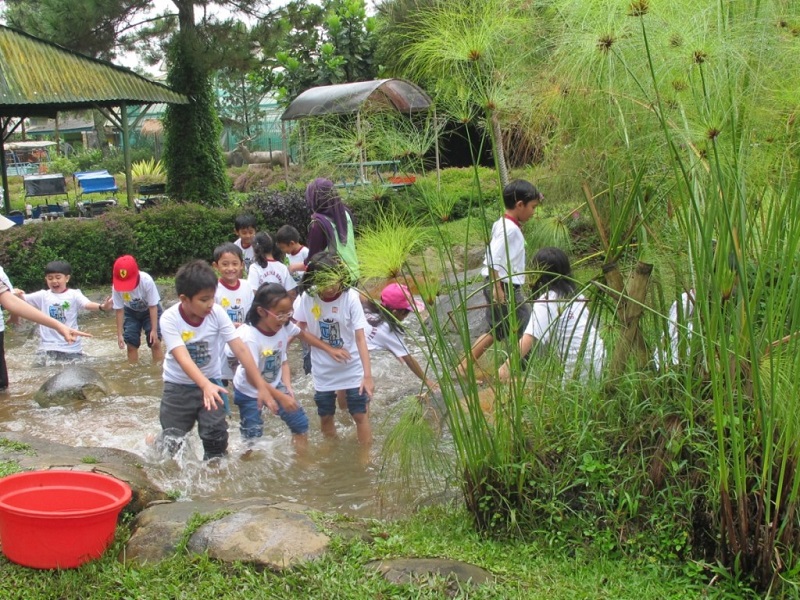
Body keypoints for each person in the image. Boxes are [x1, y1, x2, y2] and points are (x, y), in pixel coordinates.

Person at [158, 260, 290, 460]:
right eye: (204, 299)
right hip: (178, 386)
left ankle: (215, 480)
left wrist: (261, 385)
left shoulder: (217, 313)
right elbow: (182, 357)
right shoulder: (169, 319)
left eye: (212, 297)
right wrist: (204, 385)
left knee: (216, 438)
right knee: (172, 442)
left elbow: (241, 350)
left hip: (212, 382)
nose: (210, 304)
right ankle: (155, 444)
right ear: (184, 299)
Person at [231, 283, 350, 449]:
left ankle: (301, 463)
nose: (286, 318)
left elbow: (304, 336)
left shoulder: (284, 326)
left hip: (274, 384)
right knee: (252, 438)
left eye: (288, 313)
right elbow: (252, 378)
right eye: (280, 314)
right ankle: (244, 461)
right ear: (261, 312)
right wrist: (281, 397)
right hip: (249, 391)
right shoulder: (250, 338)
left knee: (300, 423)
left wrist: (330, 349)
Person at [456, 179, 543, 379]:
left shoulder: (504, 223)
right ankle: (510, 373)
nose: (533, 212)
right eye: (532, 207)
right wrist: (498, 288)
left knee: (496, 330)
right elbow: (494, 257)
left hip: (502, 284)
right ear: (520, 204)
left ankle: (463, 367)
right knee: (527, 326)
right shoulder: (509, 229)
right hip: (505, 286)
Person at [293, 251, 374, 444]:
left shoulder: (350, 297)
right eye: (323, 281)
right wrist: (329, 349)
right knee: (326, 415)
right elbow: (299, 331)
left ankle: (365, 459)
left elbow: (360, 338)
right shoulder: (308, 297)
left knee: (359, 414)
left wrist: (368, 376)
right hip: (323, 369)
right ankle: (332, 453)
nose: (329, 288)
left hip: (352, 367)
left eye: (333, 280)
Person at [498, 247, 605, 383]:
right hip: (599, 360)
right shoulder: (577, 295)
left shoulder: (547, 301)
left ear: (539, 275)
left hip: (578, 372)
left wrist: (504, 369)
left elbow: (528, 340)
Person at [21, 260, 112, 362]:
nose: (54, 281)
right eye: (50, 278)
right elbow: (19, 299)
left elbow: (87, 304)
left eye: (58, 277)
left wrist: (102, 307)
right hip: (47, 347)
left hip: (70, 347)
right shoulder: (42, 296)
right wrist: (15, 292)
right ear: (46, 279)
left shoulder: (74, 294)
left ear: (67, 278)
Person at [364, 283, 437, 392]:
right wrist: (427, 380)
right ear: (395, 312)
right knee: (364, 398)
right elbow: (409, 360)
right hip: (353, 359)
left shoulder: (369, 307)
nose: (407, 316)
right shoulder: (390, 332)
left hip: (340, 349)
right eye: (406, 313)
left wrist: (394, 350)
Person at [212, 242, 254, 384]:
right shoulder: (213, 290)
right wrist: (229, 325)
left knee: (243, 382)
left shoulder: (247, 286)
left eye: (235, 264)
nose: (230, 268)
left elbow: (252, 313)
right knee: (221, 384)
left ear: (242, 265)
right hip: (220, 347)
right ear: (216, 266)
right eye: (225, 264)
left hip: (242, 344)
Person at [305, 178, 360, 283]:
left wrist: (293, 267)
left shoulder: (318, 225)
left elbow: (314, 259)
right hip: (354, 273)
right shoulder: (345, 213)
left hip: (336, 281)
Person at [111, 255, 164, 364]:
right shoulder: (116, 287)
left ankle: (159, 369)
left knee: (155, 342)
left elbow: (153, 306)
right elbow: (119, 310)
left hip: (150, 312)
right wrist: (119, 334)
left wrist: (154, 330)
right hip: (130, 313)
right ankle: (133, 370)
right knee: (130, 343)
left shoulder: (146, 281)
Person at [247, 232, 297, 297]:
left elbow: (252, 292)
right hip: (280, 305)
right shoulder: (282, 267)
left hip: (262, 305)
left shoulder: (255, 267)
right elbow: (291, 293)